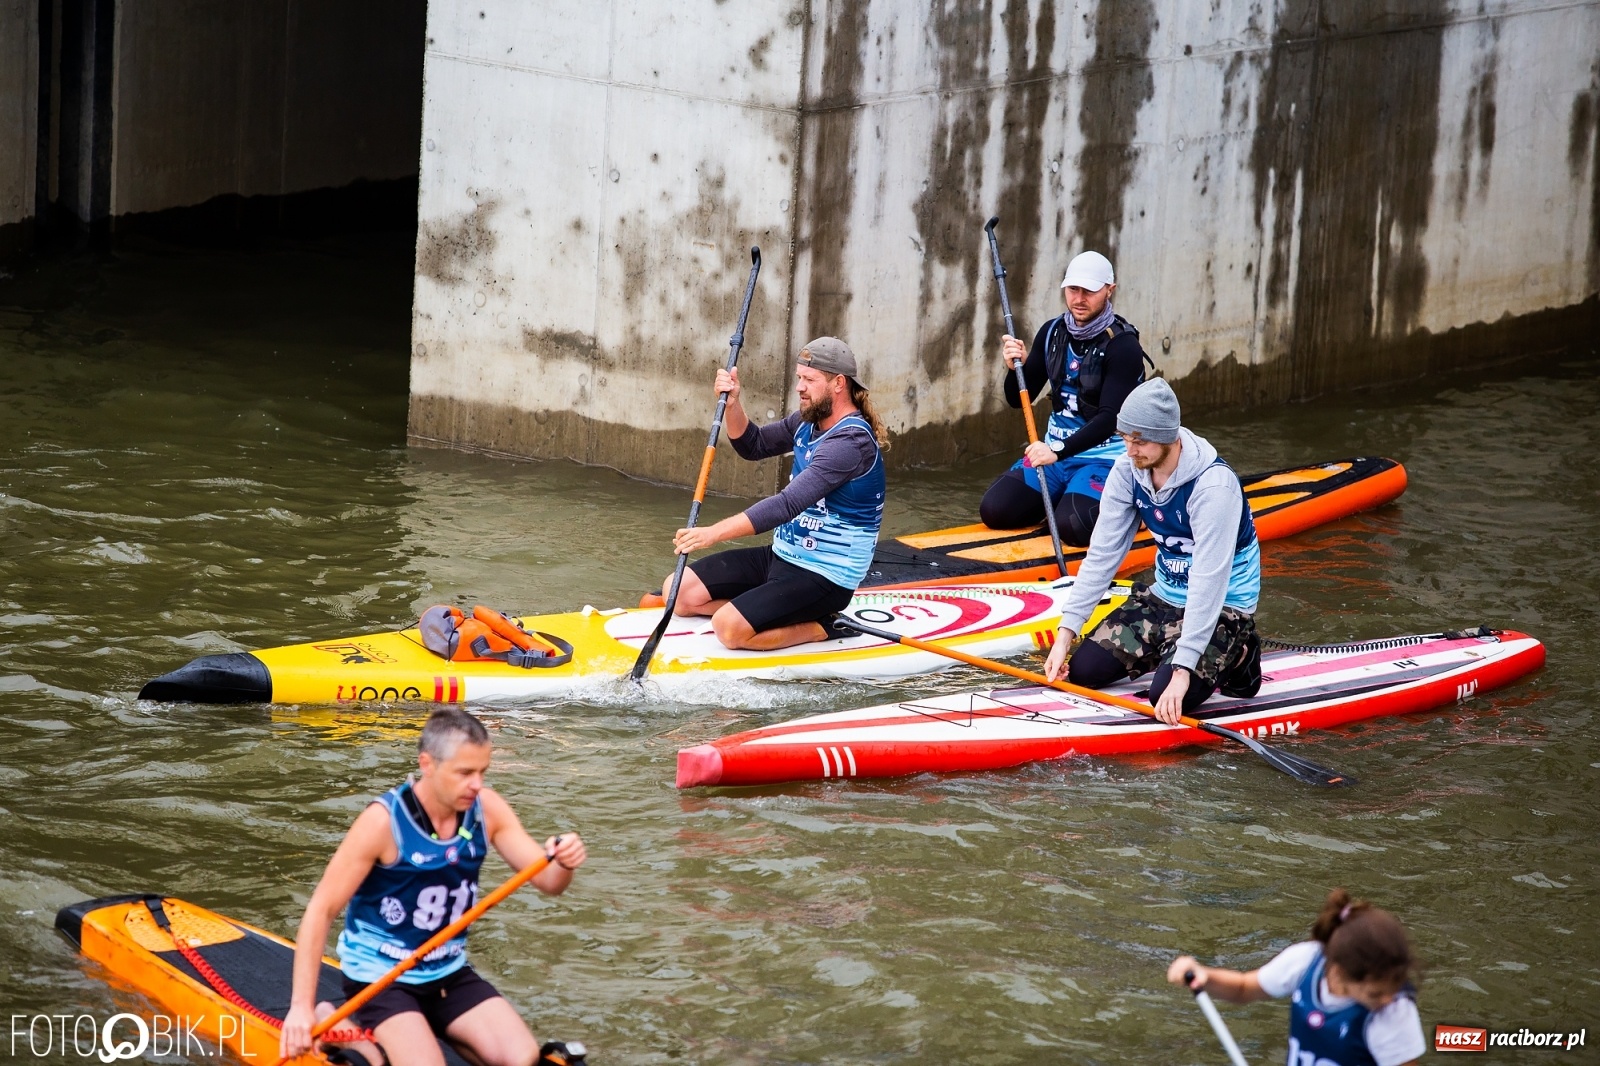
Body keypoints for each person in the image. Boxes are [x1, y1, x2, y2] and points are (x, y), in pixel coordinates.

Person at [280, 708, 587, 1066]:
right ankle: (353, 1036)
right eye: (465, 773)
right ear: (427, 764)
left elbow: (550, 884)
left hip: (448, 971)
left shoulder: (486, 809)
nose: (477, 784)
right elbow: (322, 909)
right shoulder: (382, 823)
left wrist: (563, 862)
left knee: (523, 1059)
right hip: (380, 978)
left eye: (482, 772)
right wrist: (298, 1007)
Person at [1042, 377, 1261, 721]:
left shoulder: (1214, 488)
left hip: (1222, 603)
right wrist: (1065, 634)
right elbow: (1102, 554)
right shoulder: (1128, 471)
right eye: (1125, 438)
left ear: (1169, 437)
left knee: (1166, 697)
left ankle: (1241, 655)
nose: (1129, 450)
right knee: (1084, 672)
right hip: (1164, 596)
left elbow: (1208, 581)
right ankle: (1167, 649)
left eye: (1140, 441)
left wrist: (1183, 668)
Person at [659, 337, 889, 651]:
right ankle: (758, 611)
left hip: (825, 576)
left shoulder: (850, 443)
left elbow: (787, 504)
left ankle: (823, 626)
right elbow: (752, 445)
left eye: (810, 380)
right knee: (678, 591)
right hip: (781, 556)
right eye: (799, 378)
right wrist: (733, 403)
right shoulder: (807, 423)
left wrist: (712, 533)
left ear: (839, 383)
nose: (800, 387)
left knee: (728, 629)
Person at [978, 250, 1152, 543]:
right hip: (1055, 458)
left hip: (1104, 460)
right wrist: (1014, 368)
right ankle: (1067, 497)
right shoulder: (1052, 333)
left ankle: (1133, 508)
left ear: (1109, 290)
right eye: (1073, 289)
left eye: (1089, 291)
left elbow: (1111, 419)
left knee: (1071, 528)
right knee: (995, 511)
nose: (1079, 299)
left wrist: (1056, 450)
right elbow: (1016, 398)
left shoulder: (1123, 347)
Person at [1167, 888, 1426, 1066]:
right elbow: (1244, 989)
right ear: (1337, 971)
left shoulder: (1394, 1013)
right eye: (1375, 993)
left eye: (1394, 987)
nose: (1388, 999)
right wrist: (1205, 976)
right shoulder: (1305, 961)